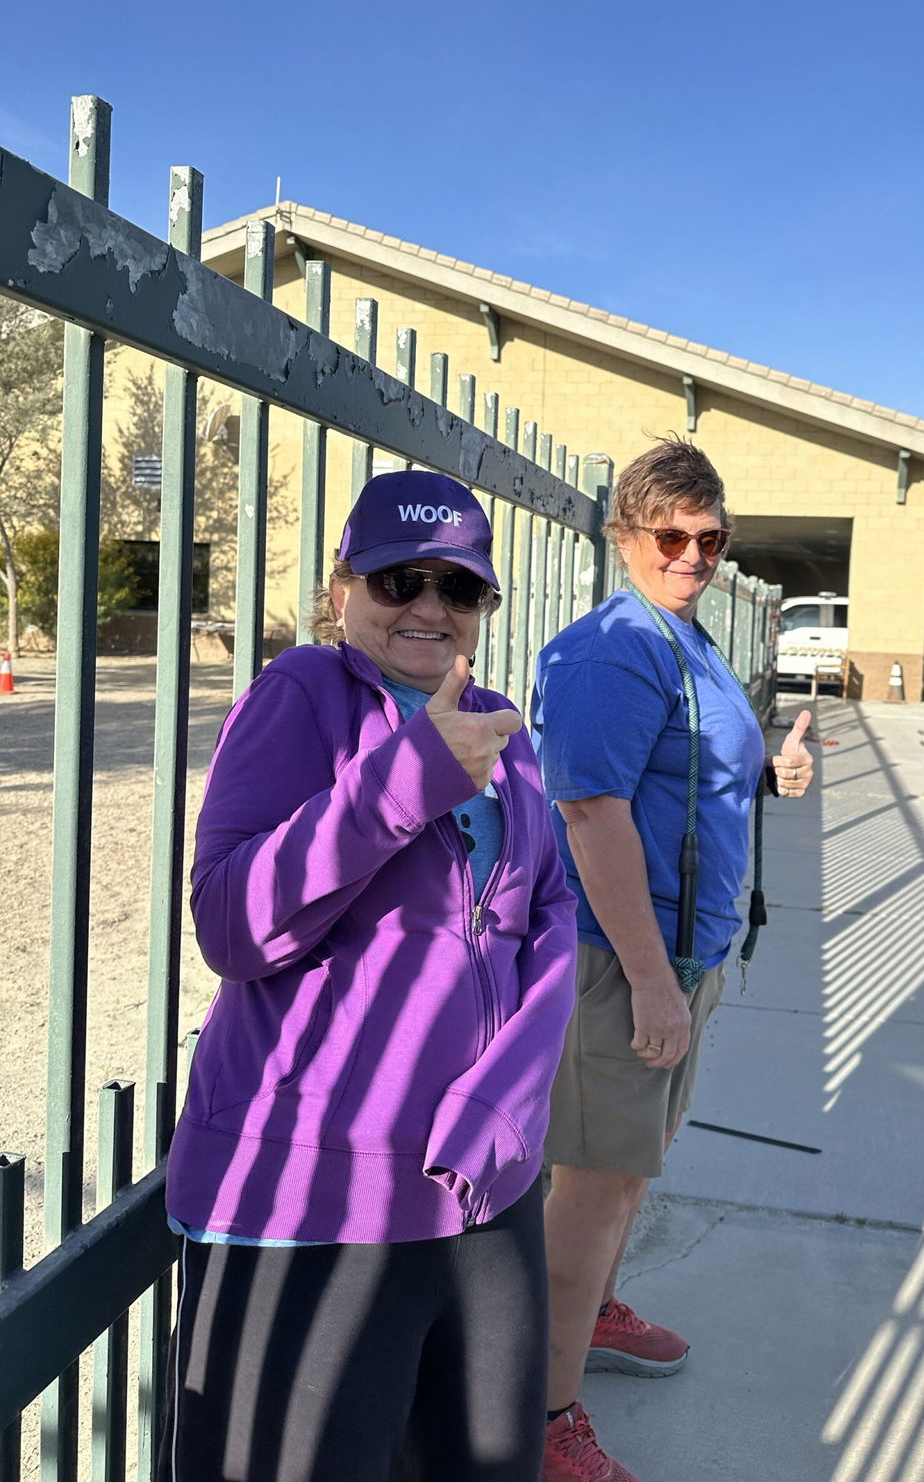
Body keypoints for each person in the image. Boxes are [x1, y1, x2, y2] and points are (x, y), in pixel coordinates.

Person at [160, 471, 578, 1482]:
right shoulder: (299, 695)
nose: (430, 606)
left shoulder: (500, 726)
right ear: (345, 586)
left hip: (480, 1185)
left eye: (459, 586)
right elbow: (230, 921)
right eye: (399, 579)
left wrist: (502, 1106)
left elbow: (553, 922)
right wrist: (407, 778)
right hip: (319, 1191)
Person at [531, 438, 814, 1482]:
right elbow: (593, 812)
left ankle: (591, 1317)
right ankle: (546, 1410)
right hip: (622, 960)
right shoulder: (613, 648)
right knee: (593, 1187)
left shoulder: (682, 636)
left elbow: (687, 782)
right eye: (671, 535)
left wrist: (774, 774)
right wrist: (652, 981)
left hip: (683, 953)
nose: (691, 553)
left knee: (631, 1170)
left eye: (710, 536)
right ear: (625, 534)